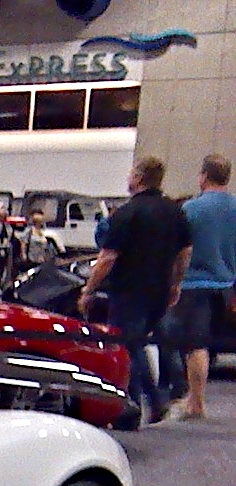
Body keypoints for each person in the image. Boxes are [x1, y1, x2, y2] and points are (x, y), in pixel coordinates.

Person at [79, 157, 192, 427]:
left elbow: (108, 257)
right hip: (160, 290)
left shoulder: (127, 213)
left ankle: (139, 405)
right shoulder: (175, 212)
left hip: (129, 291)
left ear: (139, 178)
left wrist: (88, 288)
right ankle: (161, 396)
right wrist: (176, 283)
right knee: (150, 343)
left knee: (128, 347)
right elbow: (185, 252)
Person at [164, 154, 236, 421]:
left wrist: (173, 281)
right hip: (227, 284)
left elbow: (178, 249)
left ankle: (196, 402)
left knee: (196, 345)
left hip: (196, 285)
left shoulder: (191, 209)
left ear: (204, 175)